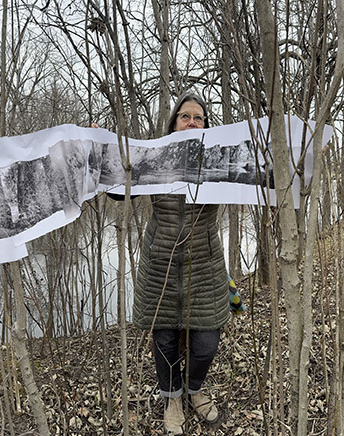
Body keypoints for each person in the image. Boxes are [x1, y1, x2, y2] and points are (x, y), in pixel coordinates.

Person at [131, 94, 229, 434]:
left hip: (206, 266)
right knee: (165, 341)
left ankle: (195, 390)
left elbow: (268, 175)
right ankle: (172, 398)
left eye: (198, 118)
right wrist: (100, 148)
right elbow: (117, 188)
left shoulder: (221, 161)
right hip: (161, 266)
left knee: (206, 343)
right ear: (173, 124)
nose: (191, 122)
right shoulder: (156, 159)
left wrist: (300, 154)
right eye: (184, 117)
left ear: (206, 125)